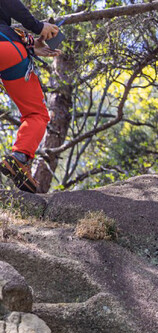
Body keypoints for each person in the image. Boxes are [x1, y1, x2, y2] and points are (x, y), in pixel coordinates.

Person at [0, 0, 60, 193]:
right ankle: (19, 158)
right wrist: (39, 26)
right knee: (36, 114)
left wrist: (32, 46)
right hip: (6, 48)